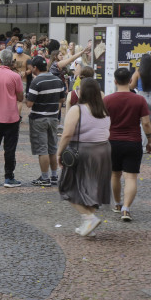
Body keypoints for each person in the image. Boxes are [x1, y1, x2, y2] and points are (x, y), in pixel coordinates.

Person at [56, 78, 112, 237]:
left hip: (82, 151)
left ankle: (88, 218)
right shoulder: (103, 109)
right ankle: (88, 223)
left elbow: (67, 134)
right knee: (92, 188)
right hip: (103, 151)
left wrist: (59, 152)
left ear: (83, 91)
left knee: (67, 186)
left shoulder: (77, 109)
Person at [103, 68, 151, 221]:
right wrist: (150, 141)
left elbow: (103, 122)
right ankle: (126, 209)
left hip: (112, 142)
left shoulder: (107, 100)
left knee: (115, 175)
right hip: (133, 142)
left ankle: (117, 204)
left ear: (115, 81)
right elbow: (145, 123)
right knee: (131, 177)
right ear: (131, 80)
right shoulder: (139, 100)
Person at [0, 49, 24, 188]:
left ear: (0, 59)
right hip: (11, 117)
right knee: (10, 149)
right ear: (11, 60)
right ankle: (9, 177)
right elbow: (20, 97)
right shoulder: (15, 76)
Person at [26, 56, 66, 187]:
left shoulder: (36, 82)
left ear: (35, 68)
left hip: (38, 119)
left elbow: (29, 103)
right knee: (52, 148)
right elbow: (62, 99)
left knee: (42, 150)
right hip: (54, 118)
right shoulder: (57, 79)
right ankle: (54, 176)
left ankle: (44, 178)